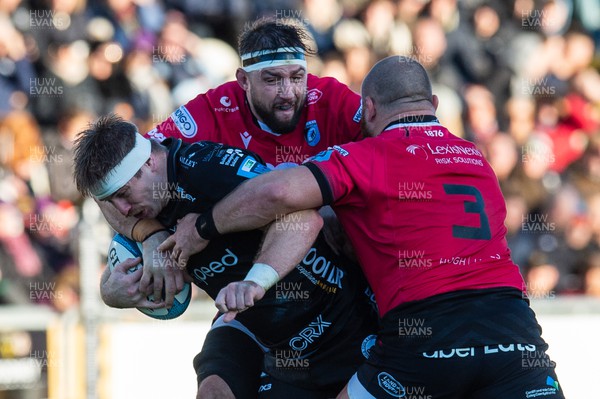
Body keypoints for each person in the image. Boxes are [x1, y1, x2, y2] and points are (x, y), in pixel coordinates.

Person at [165, 56, 565, 399]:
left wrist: (202, 227)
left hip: (425, 333)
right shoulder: (477, 158)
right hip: (514, 330)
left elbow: (279, 191)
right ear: (435, 104)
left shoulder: (367, 156)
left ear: (369, 110)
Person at [96, 18, 364, 398]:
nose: (288, 92)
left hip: (339, 288)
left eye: (296, 77)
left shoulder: (333, 100)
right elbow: (110, 176)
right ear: (243, 81)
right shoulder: (208, 112)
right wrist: (150, 236)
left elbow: (405, 144)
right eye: (272, 80)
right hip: (249, 304)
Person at [77, 115, 376, 398]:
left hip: (335, 318)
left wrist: (253, 282)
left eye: (125, 194)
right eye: (111, 200)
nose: (123, 209)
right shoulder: (142, 202)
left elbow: (304, 220)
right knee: (213, 392)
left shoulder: (211, 172)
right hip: (254, 327)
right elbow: (114, 213)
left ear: (151, 161)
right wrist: (113, 291)